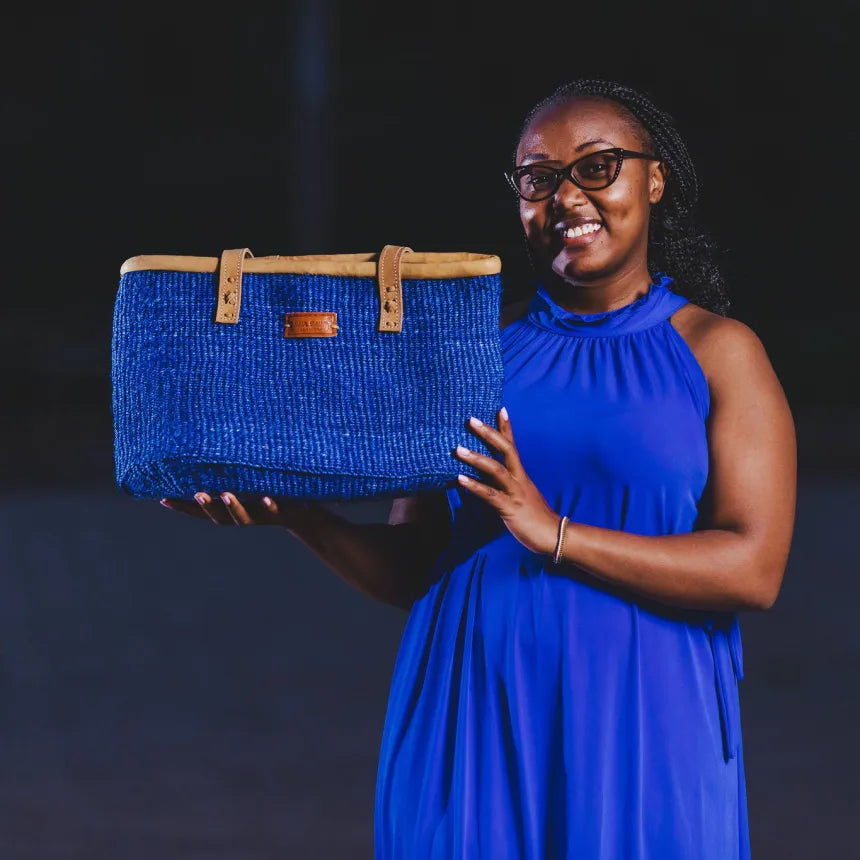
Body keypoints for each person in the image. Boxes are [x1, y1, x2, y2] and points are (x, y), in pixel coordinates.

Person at [160, 78, 797, 858]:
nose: (567, 197)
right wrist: (304, 519)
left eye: (597, 167)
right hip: (472, 723)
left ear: (653, 179)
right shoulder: (466, 358)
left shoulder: (720, 353)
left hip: (646, 725)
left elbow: (753, 567)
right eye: (539, 178)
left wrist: (552, 531)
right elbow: (414, 568)